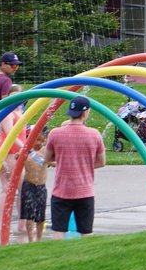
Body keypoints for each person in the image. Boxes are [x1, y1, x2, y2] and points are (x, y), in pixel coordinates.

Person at [44, 97, 106, 239]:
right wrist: (85, 164)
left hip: (61, 190)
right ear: (86, 113)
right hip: (85, 190)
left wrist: (63, 161)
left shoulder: (55, 133)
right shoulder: (94, 134)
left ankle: (57, 258)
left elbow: (48, 158)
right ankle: (88, 258)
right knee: (86, 231)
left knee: (59, 230)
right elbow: (102, 162)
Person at [19, 148, 49, 243]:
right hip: (29, 184)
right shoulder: (26, 151)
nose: (38, 143)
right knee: (29, 215)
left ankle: (39, 239)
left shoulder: (46, 151)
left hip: (41, 185)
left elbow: (54, 162)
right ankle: (31, 239)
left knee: (40, 215)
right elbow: (17, 158)